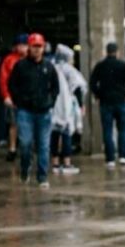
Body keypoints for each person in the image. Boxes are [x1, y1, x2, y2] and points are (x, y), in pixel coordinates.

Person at [8, 33, 60, 188]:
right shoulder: (21, 66)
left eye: (40, 47)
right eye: (34, 46)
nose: (37, 50)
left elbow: (55, 88)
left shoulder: (49, 67)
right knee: (25, 143)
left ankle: (42, 176)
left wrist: (50, 102)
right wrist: (18, 101)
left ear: (43, 48)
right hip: (25, 112)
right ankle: (25, 169)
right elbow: (12, 85)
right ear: (29, 47)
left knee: (44, 145)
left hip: (44, 112)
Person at [90, 42, 125, 167]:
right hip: (121, 100)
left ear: (106, 51)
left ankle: (110, 158)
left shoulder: (100, 66)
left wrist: (98, 95)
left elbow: (92, 83)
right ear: (117, 51)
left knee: (107, 130)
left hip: (105, 101)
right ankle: (123, 156)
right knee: (123, 129)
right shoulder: (123, 65)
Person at [50, 44, 87, 175]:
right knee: (67, 132)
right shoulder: (70, 70)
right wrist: (81, 105)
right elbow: (78, 87)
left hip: (53, 105)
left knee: (54, 133)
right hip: (67, 105)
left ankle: (55, 162)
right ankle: (66, 162)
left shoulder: (52, 68)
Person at [0, 34, 28, 161]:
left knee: (28, 125)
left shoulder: (32, 60)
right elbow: (3, 79)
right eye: (21, 45)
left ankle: (26, 148)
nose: (23, 48)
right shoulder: (9, 60)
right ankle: (12, 148)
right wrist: (6, 96)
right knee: (13, 124)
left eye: (25, 45)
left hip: (29, 98)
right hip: (14, 98)